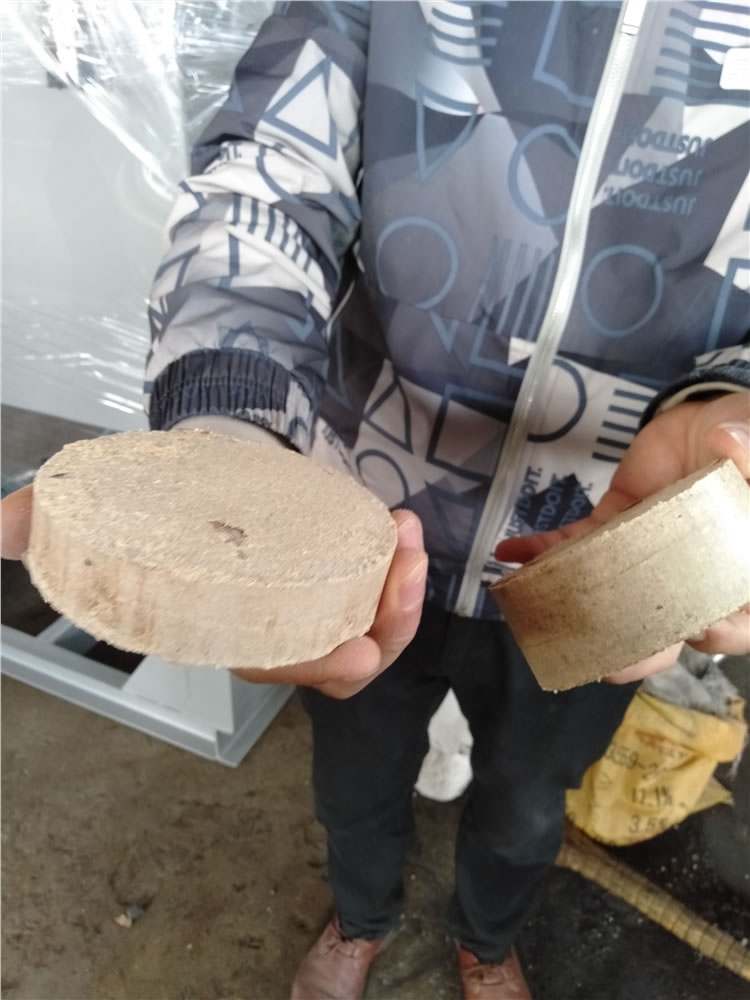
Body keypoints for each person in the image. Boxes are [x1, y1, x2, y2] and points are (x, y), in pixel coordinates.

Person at [4, 2, 749, 997]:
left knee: (528, 807)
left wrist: (733, 416)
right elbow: (269, 171)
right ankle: (361, 920)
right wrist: (229, 433)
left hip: (602, 562)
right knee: (355, 783)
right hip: (364, 535)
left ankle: (487, 940)